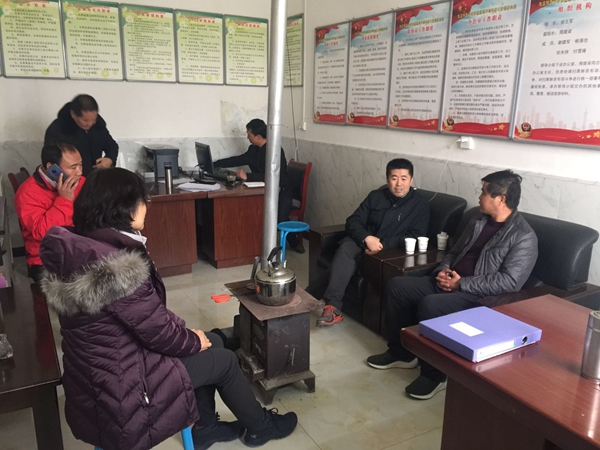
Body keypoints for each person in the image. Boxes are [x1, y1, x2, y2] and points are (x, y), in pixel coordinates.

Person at [39, 168, 297, 450]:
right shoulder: (116, 268)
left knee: (214, 339)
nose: (147, 206)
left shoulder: (80, 248)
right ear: (123, 208)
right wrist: (191, 340)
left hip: (101, 376)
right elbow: (157, 332)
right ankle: (260, 428)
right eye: (143, 199)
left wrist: (190, 335)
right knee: (223, 361)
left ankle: (205, 428)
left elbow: (146, 318)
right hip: (126, 391)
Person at [367, 170, 538, 400]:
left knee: (431, 305)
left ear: (501, 199)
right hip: (449, 280)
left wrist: (461, 284)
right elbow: (454, 251)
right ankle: (402, 353)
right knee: (397, 287)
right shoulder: (478, 220)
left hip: (477, 295)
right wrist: (442, 270)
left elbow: (510, 281)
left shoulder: (523, 237)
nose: (479, 197)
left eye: (484, 192)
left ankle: (435, 375)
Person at [306, 158, 430, 327]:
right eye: (394, 178)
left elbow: (416, 235)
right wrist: (366, 238)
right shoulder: (376, 196)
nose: (399, 184)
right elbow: (353, 221)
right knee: (345, 250)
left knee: (343, 264)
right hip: (361, 240)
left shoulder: (420, 204)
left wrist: (383, 244)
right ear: (387, 179)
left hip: (387, 250)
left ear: (411, 180)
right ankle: (329, 306)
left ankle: (313, 299)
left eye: (404, 178)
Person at [214, 118, 302, 252]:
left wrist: (248, 176)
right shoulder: (253, 149)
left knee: (280, 218)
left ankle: (294, 243)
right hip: (263, 189)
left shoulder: (275, 150)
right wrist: (216, 164)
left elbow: (273, 176)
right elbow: (239, 159)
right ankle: (254, 243)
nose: (247, 137)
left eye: (249, 134)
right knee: (253, 210)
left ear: (258, 137)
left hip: (282, 189)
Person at [14, 142, 84, 283]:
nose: (79, 172)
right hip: (47, 259)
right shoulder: (28, 193)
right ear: (52, 168)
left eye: (80, 165)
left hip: (77, 248)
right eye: (73, 167)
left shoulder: (78, 182)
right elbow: (43, 232)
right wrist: (64, 200)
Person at [44, 94, 118, 176]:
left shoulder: (98, 125)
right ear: (73, 114)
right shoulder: (57, 130)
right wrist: (62, 181)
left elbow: (112, 146)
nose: (90, 124)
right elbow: (51, 164)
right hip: (70, 179)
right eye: (85, 120)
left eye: (93, 119)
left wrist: (110, 159)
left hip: (95, 178)